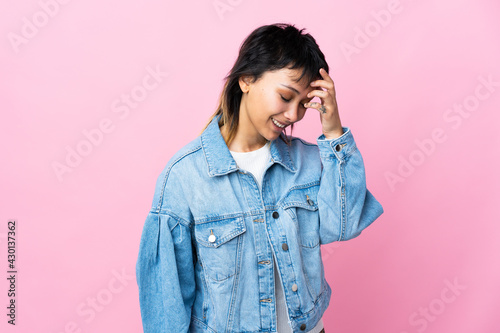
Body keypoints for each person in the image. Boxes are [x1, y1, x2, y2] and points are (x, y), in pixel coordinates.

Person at [135, 22, 384, 333]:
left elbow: (343, 226)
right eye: (285, 96)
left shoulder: (307, 162)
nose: (294, 115)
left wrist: (334, 133)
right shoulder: (186, 177)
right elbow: (165, 299)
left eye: (303, 103)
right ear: (247, 79)